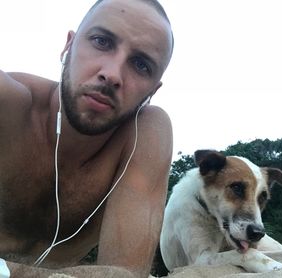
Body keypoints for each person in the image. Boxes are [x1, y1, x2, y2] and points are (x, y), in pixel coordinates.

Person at [0, 0, 174, 277]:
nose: (112, 74)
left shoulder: (142, 138)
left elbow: (124, 274)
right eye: (101, 41)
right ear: (69, 46)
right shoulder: (8, 104)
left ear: (153, 91)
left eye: (141, 65)